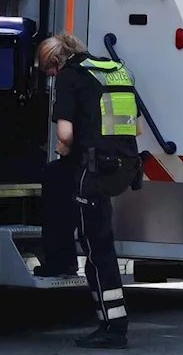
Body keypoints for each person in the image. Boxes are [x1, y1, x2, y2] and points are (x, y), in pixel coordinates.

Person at [36, 32, 144, 349]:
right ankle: (60, 259)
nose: (52, 77)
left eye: (49, 71)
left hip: (94, 170)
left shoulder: (71, 76)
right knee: (56, 178)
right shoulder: (113, 69)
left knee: (97, 249)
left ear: (56, 61)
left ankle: (113, 327)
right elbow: (136, 127)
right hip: (123, 165)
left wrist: (61, 147)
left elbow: (66, 135)